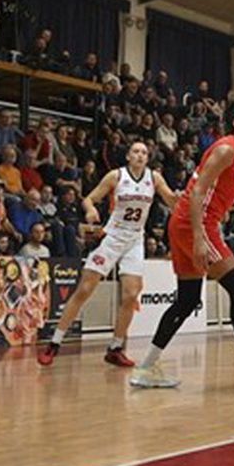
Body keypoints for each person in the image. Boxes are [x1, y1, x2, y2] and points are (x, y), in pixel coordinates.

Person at [130, 101, 234, 391]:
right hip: (195, 223)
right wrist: (198, 238)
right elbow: (198, 192)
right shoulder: (226, 149)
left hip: (187, 224)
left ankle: (145, 368)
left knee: (187, 300)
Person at [39, 139, 181, 369]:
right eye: (135, 151)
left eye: (144, 152)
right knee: (85, 289)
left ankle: (115, 348)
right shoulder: (116, 176)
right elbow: (89, 199)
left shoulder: (154, 178)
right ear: (128, 156)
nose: (140, 155)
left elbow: (171, 201)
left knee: (131, 295)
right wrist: (91, 209)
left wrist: (179, 197)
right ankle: (54, 343)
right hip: (112, 237)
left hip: (135, 240)